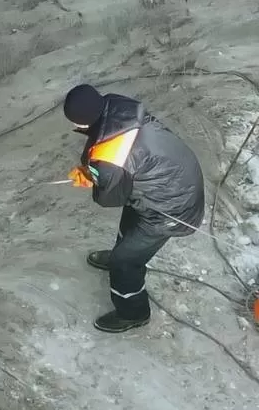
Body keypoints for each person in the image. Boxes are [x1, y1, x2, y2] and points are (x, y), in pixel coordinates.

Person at [64, 83, 205, 333]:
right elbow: (109, 155)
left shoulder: (109, 159)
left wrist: (93, 177)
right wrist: (92, 168)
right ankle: (122, 253)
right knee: (131, 221)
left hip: (171, 208)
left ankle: (133, 313)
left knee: (125, 263)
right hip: (173, 180)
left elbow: (110, 198)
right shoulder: (118, 106)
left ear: (84, 123)